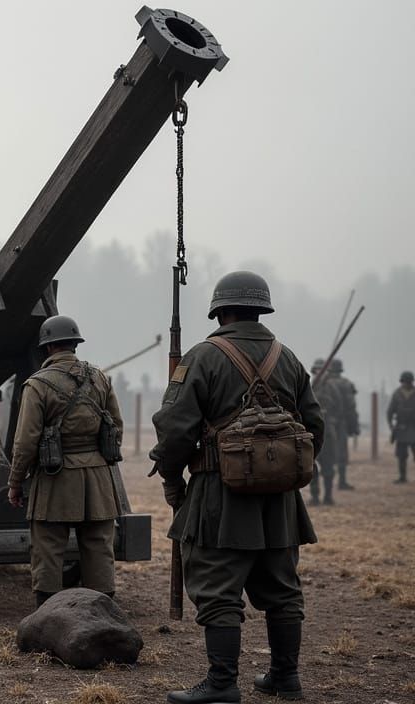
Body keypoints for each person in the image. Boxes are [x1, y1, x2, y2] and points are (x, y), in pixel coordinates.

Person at [150, 271, 323, 704]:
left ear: (220, 311)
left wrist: (174, 480)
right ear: (261, 309)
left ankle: (222, 685)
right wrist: (278, 469)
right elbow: (315, 426)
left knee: (217, 587)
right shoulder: (289, 358)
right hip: (281, 501)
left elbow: (173, 431)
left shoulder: (203, 356)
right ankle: (286, 679)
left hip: (219, 497)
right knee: (282, 589)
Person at [7, 315, 123, 606]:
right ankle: (104, 615)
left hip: (55, 477)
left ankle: (48, 616)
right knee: (99, 548)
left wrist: (15, 483)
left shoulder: (37, 385)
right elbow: (116, 427)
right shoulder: (100, 378)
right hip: (98, 479)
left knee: (48, 548)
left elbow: (25, 442)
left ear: (47, 348)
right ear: (75, 344)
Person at [308, 359, 341, 506]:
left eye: (323, 369)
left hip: (328, 430)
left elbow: (340, 407)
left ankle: (328, 496)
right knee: (312, 465)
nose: (320, 372)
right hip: (312, 431)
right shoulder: (309, 386)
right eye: (317, 369)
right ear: (314, 370)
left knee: (328, 465)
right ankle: (315, 496)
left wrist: (330, 419)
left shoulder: (332, 387)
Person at [327, 359, 359, 491]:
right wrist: (354, 425)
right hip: (340, 423)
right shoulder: (346, 384)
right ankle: (341, 481)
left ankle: (328, 483)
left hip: (326, 422)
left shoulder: (323, 383)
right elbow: (351, 407)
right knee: (341, 452)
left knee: (326, 452)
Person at [387, 370, 415, 483]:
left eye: (408, 382)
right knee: (401, 456)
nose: (406, 384)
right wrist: (391, 426)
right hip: (401, 428)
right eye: (404, 382)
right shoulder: (397, 394)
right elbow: (390, 411)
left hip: (414, 427)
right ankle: (402, 477)